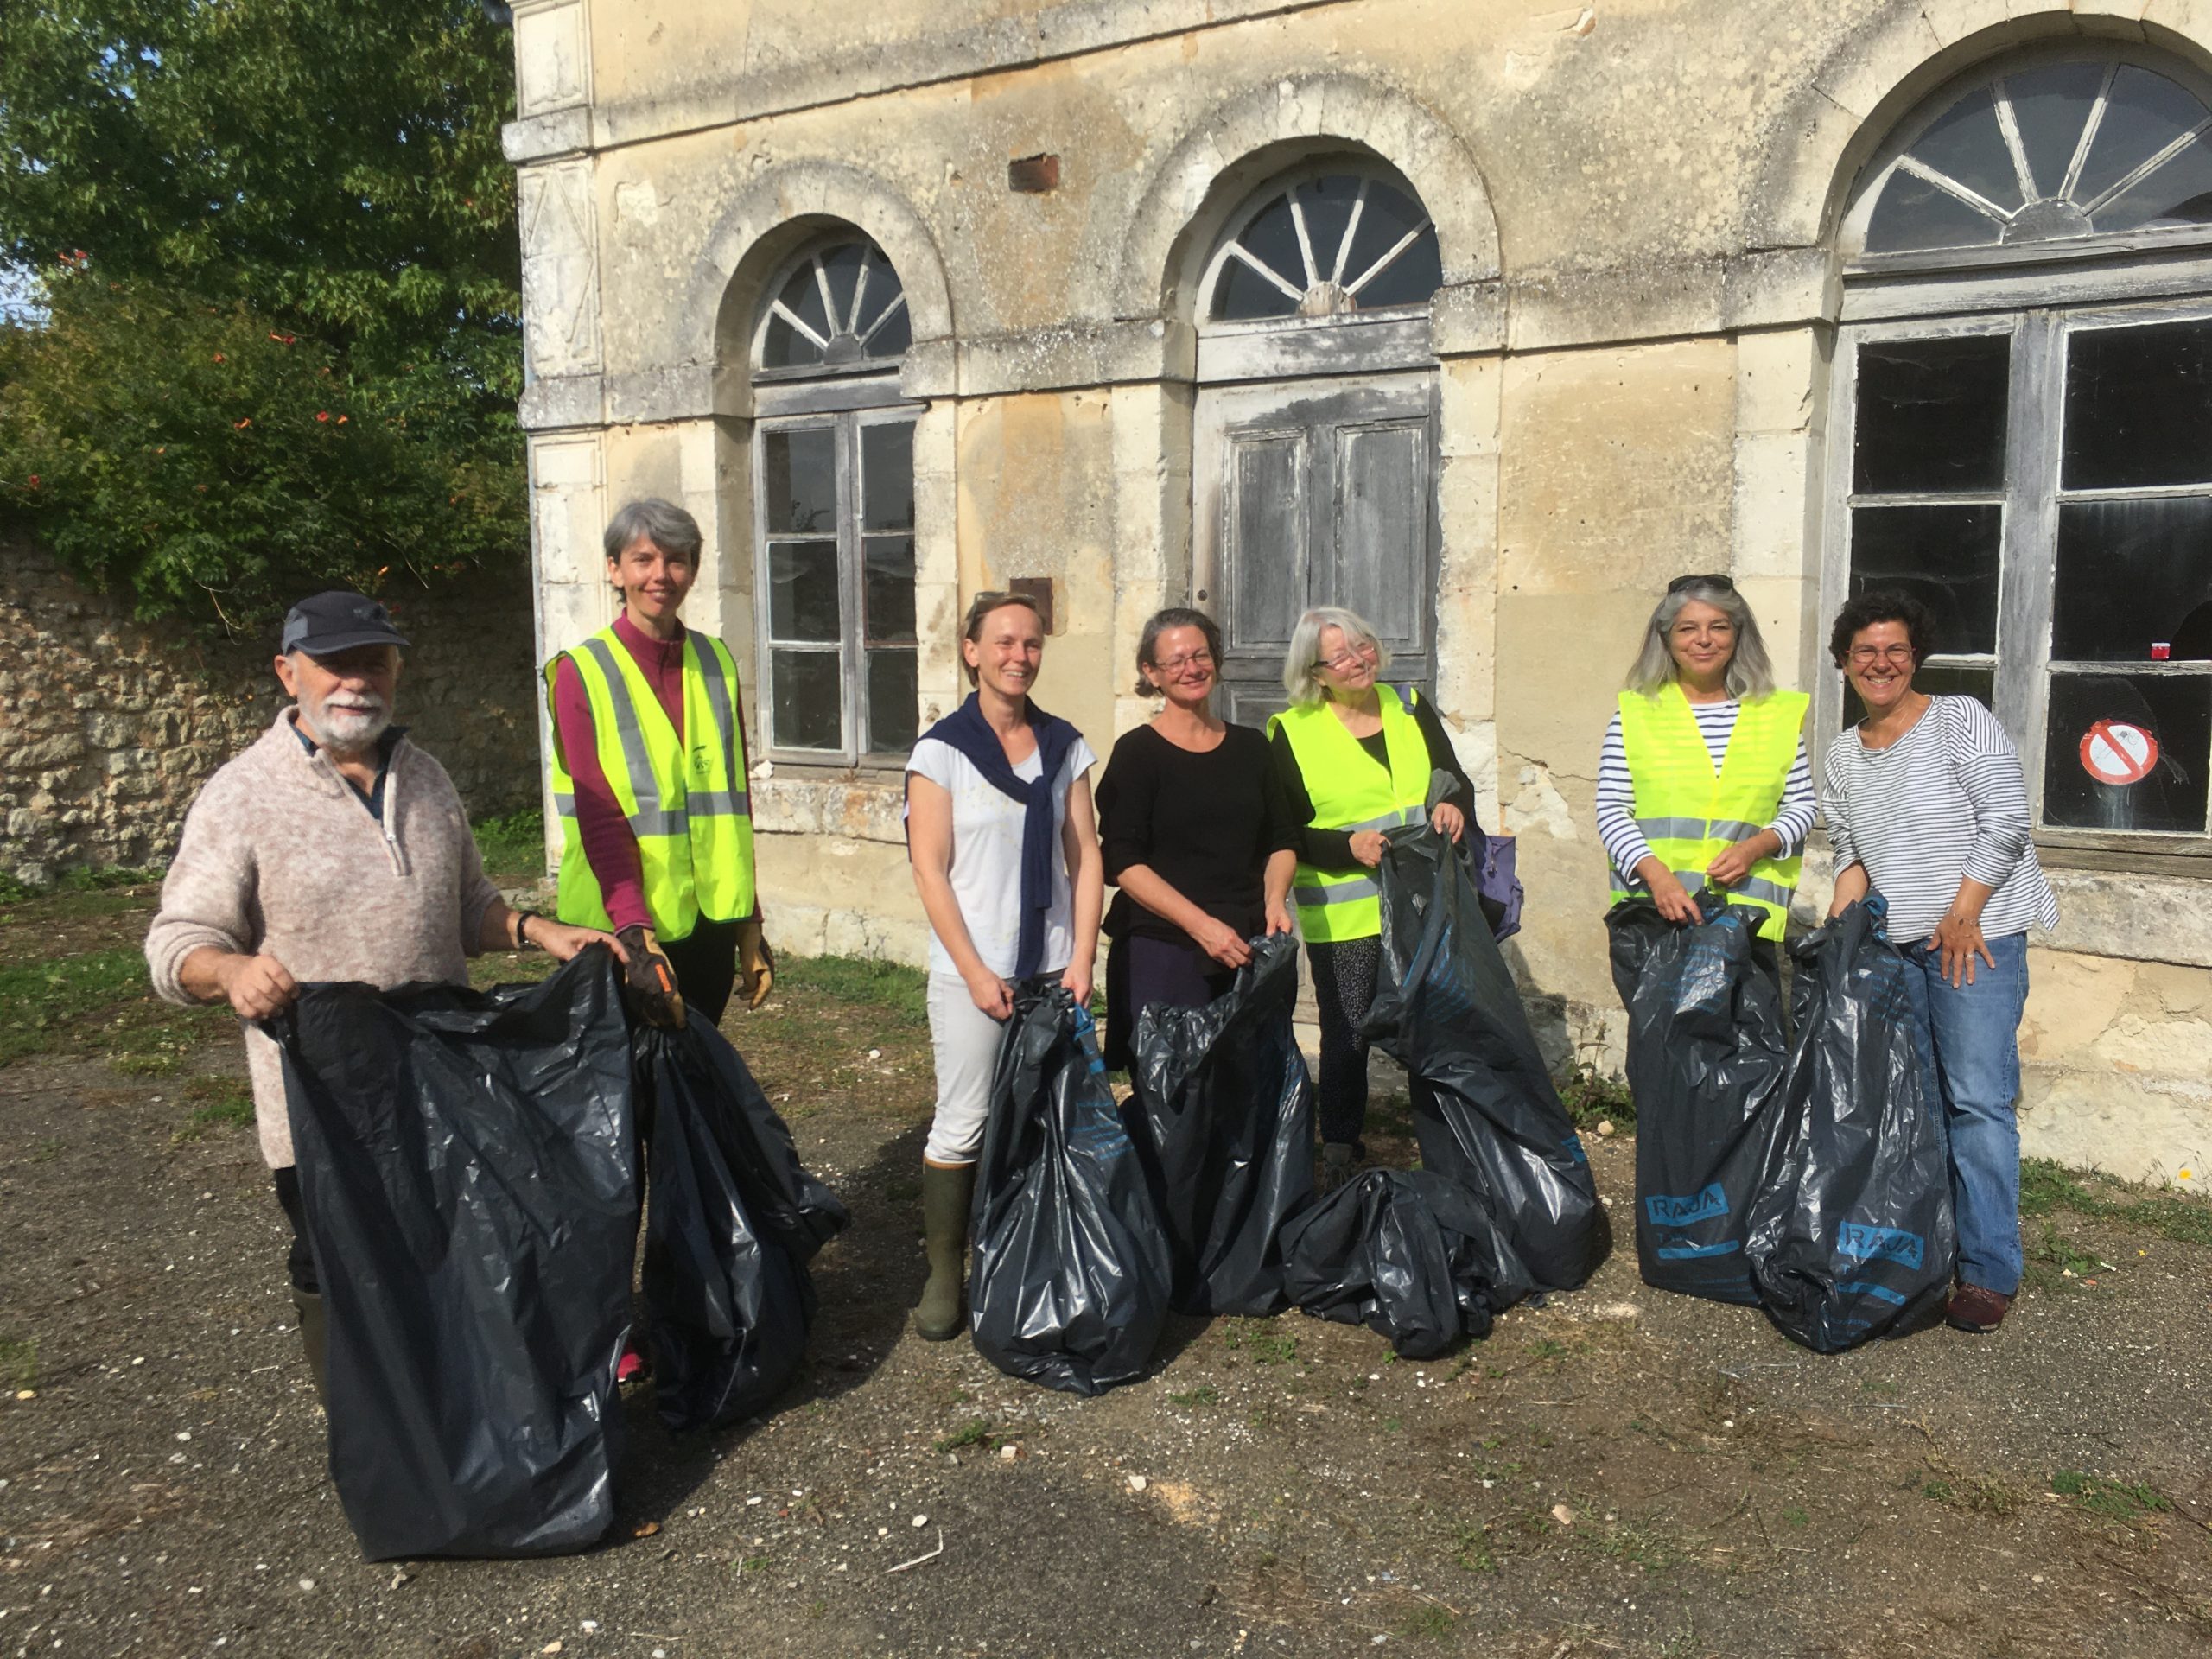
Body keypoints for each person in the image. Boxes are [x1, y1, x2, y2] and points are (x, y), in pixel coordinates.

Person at [144, 592, 621, 1402]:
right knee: (340, 1270)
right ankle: (383, 1445)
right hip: (321, 1109)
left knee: (460, 1254)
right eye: (335, 664)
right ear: (287, 671)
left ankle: (468, 1431)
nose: (355, 683)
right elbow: (175, 941)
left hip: (441, 1088)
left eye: (374, 662)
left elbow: (469, 906)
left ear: (397, 670)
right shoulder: (243, 794)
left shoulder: (426, 778)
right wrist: (228, 973)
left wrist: (540, 932)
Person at [1822, 589, 2058, 1335]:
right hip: (1900, 950)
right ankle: (1930, 1251)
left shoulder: (1959, 719)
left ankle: (1989, 1272)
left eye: (1895, 650)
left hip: (1975, 939)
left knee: (1977, 1100)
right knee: (1915, 1101)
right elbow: (1852, 856)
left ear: (1914, 656)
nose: (1881, 663)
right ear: (1845, 663)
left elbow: (2006, 821)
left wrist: (1963, 913)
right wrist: (1838, 930)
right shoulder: (1842, 754)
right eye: (1866, 652)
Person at [904, 590, 1103, 1340]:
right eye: (1004, 642)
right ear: (971, 651)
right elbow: (931, 870)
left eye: (1031, 643)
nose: (1019, 655)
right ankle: (944, 1275)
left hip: (1054, 970)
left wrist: (1082, 957)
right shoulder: (942, 752)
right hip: (974, 972)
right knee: (965, 1122)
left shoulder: (1064, 746)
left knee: (1052, 1120)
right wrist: (978, 972)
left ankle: (1034, 1257)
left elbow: (1085, 858)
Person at [546, 498, 775, 1033]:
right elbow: (599, 815)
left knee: (691, 1087)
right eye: (643, 559)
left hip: (707, 926)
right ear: (614, 569)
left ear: (693, 570)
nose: (661, 575)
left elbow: (731, 807)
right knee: (628, 1100)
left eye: (677, 559)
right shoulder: (582, 672)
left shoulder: (716, 663)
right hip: (617, 933)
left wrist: (749, 922)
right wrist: (635, 935)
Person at [1268, 607, 1478, 1181]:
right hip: (1348, 914)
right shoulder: (1291, 731)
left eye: (1362, 646)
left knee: (1435, 1023)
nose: (1358, 660)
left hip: (1422, 905)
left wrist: (1451, 804)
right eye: (1340, 655)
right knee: (1350, 1031)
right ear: (1315, 672)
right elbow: (1284, 831)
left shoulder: (1409, 706)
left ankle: (1447, 1145)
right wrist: (1345, 849)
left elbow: (1455, 778)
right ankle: (1339, 1147)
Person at [1094, 608, 1299, 1069]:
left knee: (1246, 1085)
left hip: (1247, 942)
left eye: (1201, 655)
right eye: (1176, 660)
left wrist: (1274, 901)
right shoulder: (1137, 754)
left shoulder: (1253, 749)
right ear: (1152, 672)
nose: (1192, 668)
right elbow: (1124, 862)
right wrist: (1201, 927)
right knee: (1176, 1096)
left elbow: (1283, 838)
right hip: (1165, 947)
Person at [1597, 574, 1815, 982]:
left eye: (1718, 627)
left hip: (1747, 921)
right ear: (1666, 638)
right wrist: (1658, 878)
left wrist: (1756, 847)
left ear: (1737, 636)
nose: (1704, 640)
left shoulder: (1775, 714)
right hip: (1657, 918)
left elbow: (1802, 805)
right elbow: (1611, 810)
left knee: (1744, 1046)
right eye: (1688, 628)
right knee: (1664, 1047)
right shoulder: (1634, 714)